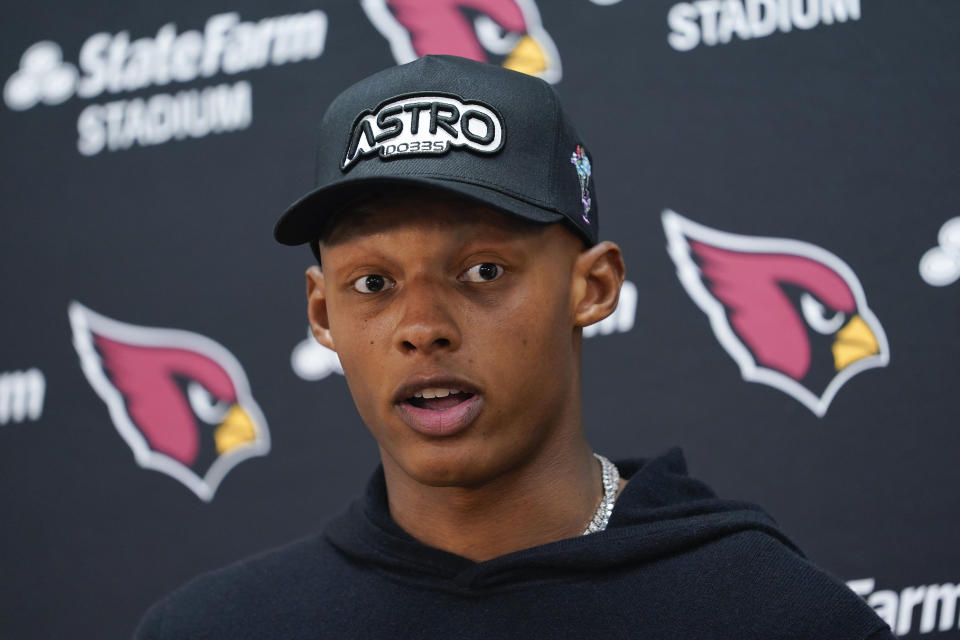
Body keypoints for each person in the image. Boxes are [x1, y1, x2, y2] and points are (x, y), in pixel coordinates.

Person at [136, 55, 893, 639]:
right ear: (322, 311)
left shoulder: (775, 618)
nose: (421, 325)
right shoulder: (210, 628)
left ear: (592, 287)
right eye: (372, 284)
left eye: (483, 271)